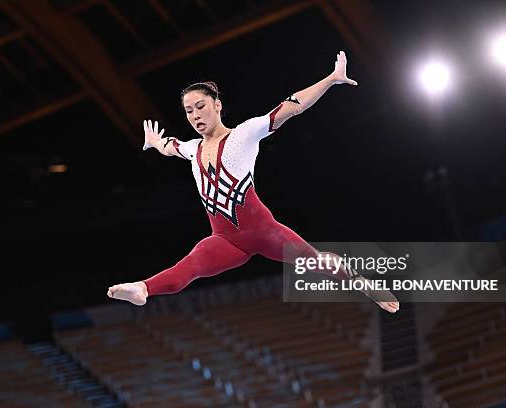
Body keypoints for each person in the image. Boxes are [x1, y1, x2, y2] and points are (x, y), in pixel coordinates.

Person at [108, 51, 399, 313]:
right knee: (190, 265)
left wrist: (331, 79)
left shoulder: (243, 134)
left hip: (266, 232)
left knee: (317, 262)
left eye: (200, 106)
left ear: (218, 105)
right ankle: (143, 288)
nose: (195, 115)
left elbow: (291, 106)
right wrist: (155, 143)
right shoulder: (193, 148)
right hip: (225, 240)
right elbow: (173, 145)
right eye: (188, 111)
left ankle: (361, 282)